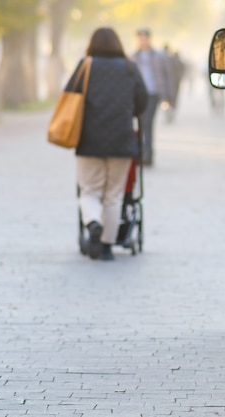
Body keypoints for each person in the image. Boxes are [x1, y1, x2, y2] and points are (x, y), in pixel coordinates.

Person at [67, 27, 148, 261]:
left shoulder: (86, 66)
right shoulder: (130, 67)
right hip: (121, 141)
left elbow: (70, 96)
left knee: (89, 190)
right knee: (114, 196)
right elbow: (141, 102)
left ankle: (93, 222)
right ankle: (105, 247)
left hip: (88, 140)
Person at [131, 28, 174, 166]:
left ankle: (148, 154)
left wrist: (169, 96)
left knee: (147, 123)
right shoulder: (133, 56)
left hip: (153, 93)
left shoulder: (158, 56)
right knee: (139, 123)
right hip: (137, 93)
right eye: (140, 38)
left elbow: (168, 76)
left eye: (145, 37)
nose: (143, 40)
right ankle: (139, 153)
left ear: (149, 39)